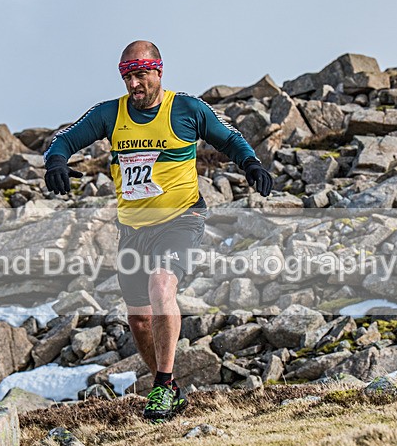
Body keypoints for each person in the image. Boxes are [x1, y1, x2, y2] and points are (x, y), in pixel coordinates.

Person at [44, 40, 273, 422]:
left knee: (161, 286)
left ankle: (161, 385)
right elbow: (64, 139)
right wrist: (56, 162)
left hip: (181, 220)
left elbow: (229, 137)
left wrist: (251, 164)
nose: (134, 85)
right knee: (138, 319)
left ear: (158, 71)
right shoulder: (109, 114)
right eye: (127, 77)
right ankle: (167, 388)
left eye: (140, 75)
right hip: (133, 229)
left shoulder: (185, 108)